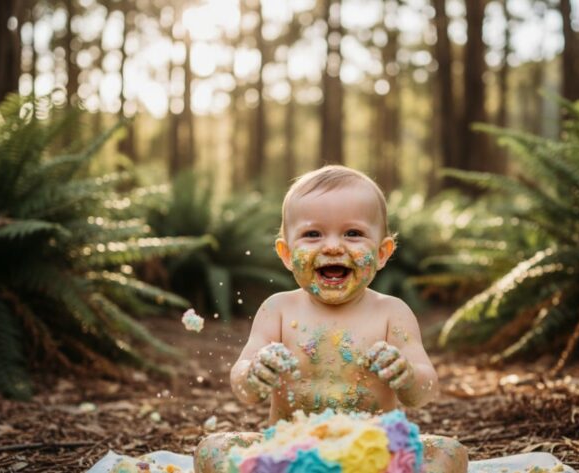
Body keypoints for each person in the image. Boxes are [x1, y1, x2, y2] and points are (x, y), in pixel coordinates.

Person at [194, 166, 468, 473]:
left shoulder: (392, 313)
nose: (333, 246)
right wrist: (254, 373)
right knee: (213, 448)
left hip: (371, 456)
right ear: (286, 254)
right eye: (313, 234)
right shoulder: (278, 310)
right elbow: (244, 389)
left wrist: (406, 375)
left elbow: (425, 390)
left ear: (382, 252)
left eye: (353, 233)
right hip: (289, 453)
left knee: (449, 451)